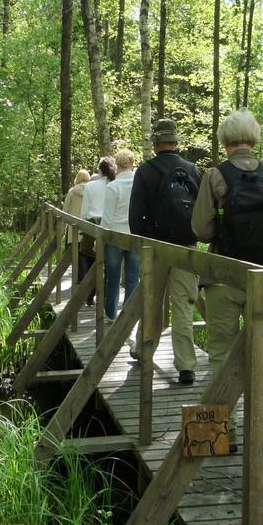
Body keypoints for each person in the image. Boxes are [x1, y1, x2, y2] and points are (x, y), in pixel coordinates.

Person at [191, 108, 263, 488]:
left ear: (226, 141)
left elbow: (201, 229)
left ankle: (228, 436)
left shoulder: (215, 175)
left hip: (225, 278)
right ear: (254, 138)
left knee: (221, 354)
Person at [128, 119, 201, 385]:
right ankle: (186, 366)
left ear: (155, 143)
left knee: (152, 302)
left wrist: (145, 240)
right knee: (183, 305)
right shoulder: (193, 170)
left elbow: (135, 218)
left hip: (156, 248)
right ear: (176, 142)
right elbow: (203, 213)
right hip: (187, 249)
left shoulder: (146, 171)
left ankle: (144, 351)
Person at [100, 149, 138, 320]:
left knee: (112, 277)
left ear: (117, 165)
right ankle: (129, 316)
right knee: (132, 277)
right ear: (132, 164)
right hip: (134, 235)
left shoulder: (113, 187)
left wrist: (100, 239)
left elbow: (107, 219)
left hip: (115, 235)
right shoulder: (139, 185)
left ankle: (110, 314)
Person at [79, 157, 115, 305]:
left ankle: (90, 293)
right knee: (109, 261)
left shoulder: (90, 186)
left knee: (90, 260)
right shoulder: (114, 185)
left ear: (100, 170)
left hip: (92, 225)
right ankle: (107, 294)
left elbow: (84, 211)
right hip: (109, 225)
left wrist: (81, 227)